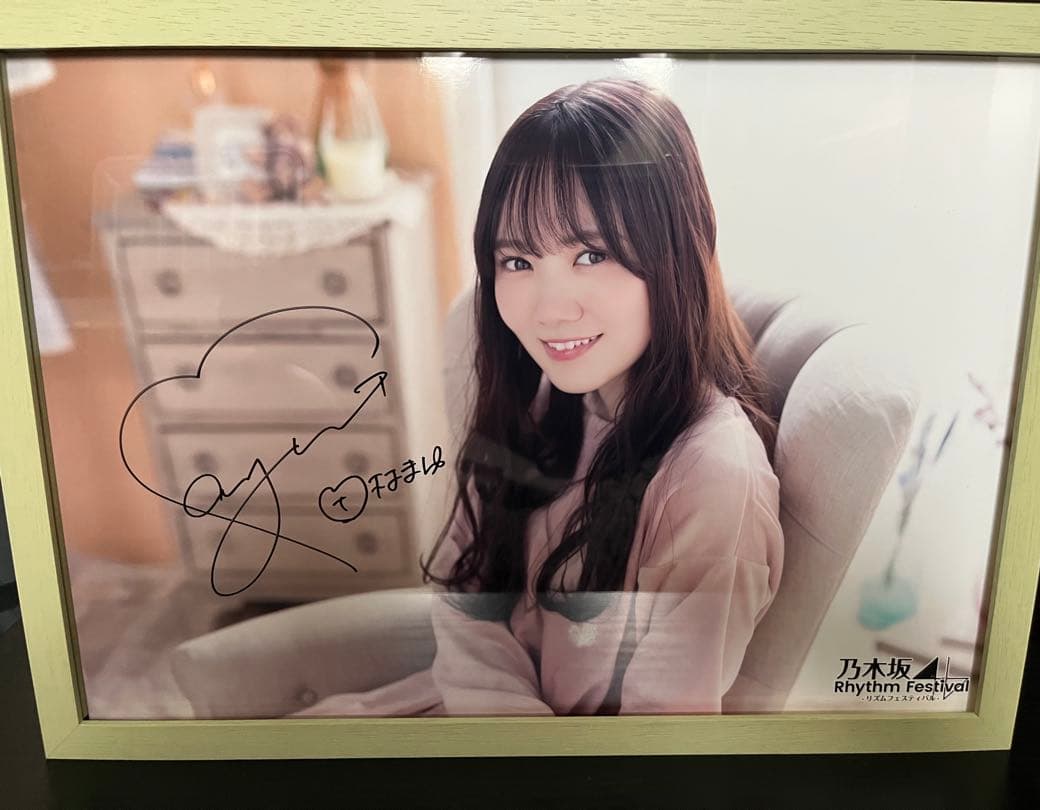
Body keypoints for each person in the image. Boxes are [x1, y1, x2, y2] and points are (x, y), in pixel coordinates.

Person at [291, 77, 784, 718]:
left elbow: (656, 743)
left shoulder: (712, 481)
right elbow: (468, 599)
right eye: (519, 261)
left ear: (677, 250)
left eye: (592, 254)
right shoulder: (544, 399)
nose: (550, 310)